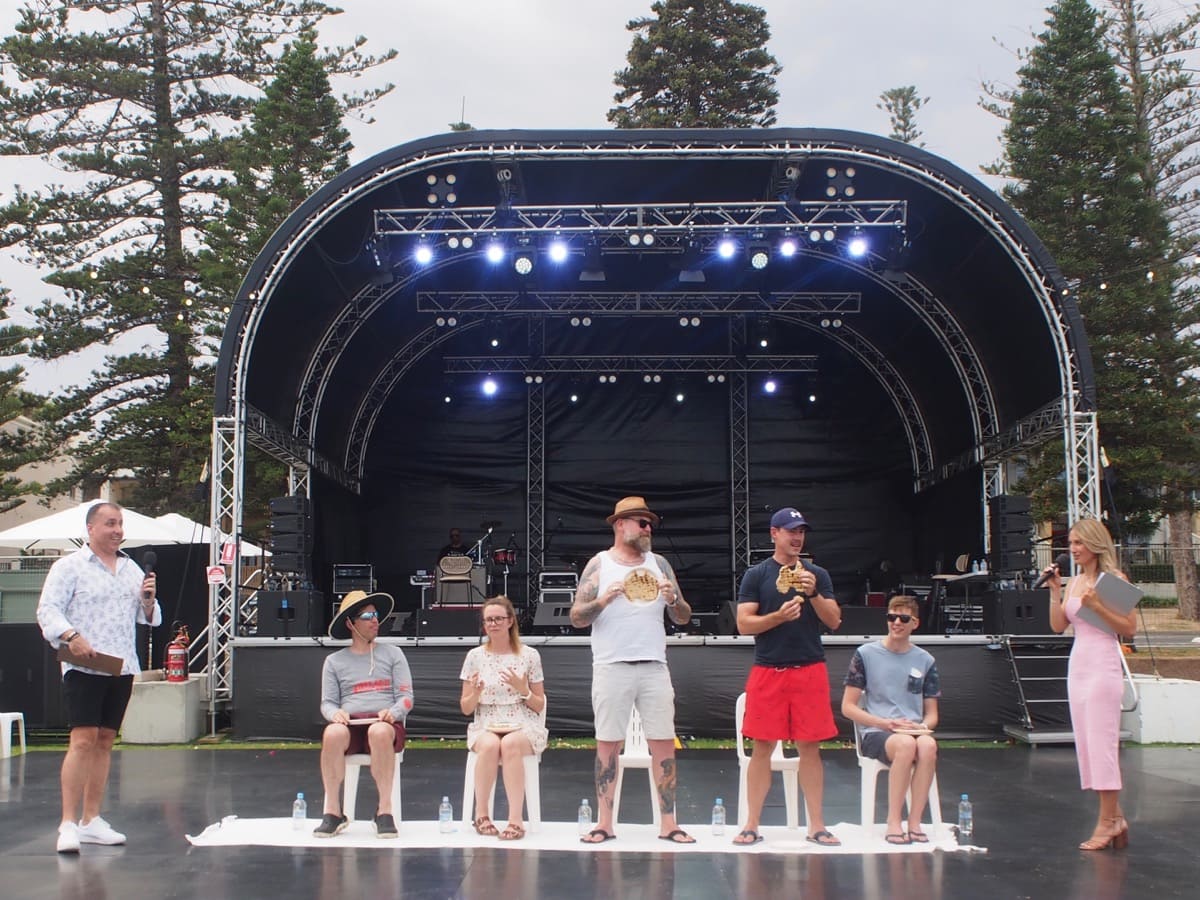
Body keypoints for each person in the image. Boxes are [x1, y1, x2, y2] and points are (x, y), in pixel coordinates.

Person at [36, 501, 162, 853]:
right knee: (82, 740)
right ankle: (67, 823)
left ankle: (92, 819)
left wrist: (149, 601)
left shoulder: (132, 568)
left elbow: (149, 617)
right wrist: (71, 637)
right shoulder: (69, 566)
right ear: (90, 528)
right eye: (110, 523)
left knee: (106, 740)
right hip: (83, 664)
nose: (117, 530)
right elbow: (47, 609)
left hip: (120, 665)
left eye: (120, 523)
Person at [570, 496, 695, 844]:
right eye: (640, 522)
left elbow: (684, 616)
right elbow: (576, 617)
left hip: (654, 665)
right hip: (612, 664)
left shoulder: (660, 564)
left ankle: (669, 823)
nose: (647, 528)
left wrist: (673, 600)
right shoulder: (600, 564)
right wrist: (603, 600)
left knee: (663, 745)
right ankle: (605, 822)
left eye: (649, 523)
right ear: (619, 525)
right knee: (608, 745)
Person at [733, 507, 842, 847]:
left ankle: (817, 826)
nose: (797, 537)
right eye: (790, 531)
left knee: (810, 747)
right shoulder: (757, 575)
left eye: (801, 532)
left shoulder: (817, 574)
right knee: (762, 746)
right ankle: (751, 824)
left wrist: (813, 595)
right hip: (769, 669)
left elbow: (834, 620)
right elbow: (743, 624)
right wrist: (778, 617)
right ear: (774, 533)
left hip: (809, 668)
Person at [1046, 518, 1136, 851]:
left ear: (1095, 545)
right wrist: (1055, 591)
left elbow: (1129, 629)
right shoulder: (1074, 582)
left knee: (1102, 743)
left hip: (1103, 664)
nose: (1073, 549)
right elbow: (1058, 626)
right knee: (1086, 743)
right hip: (1079, 663)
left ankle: (1107, 820)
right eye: (1071, 543)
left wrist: (1099, 605)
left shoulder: (1112, 581)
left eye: (1079, 543)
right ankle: (1115, 816)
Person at [841, 595, 941, 844]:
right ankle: (894, 820)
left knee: (928, 746)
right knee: (906, 745)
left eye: (903, 618)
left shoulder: (925, 660)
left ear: (914, 623)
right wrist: (885, 723)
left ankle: (915, 820)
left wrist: (923, 727)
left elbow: (932, 713)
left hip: (912, 730)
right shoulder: (865, 654)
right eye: (891, 617)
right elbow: (848, 707)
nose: (896, 622)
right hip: (878, 731)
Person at [315, 590, 413, 838]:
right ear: (350, 623)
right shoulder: (334, 661)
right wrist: (335, 714)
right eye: (367, 615)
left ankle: (384, 811)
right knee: (332, 733)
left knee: (379, 731)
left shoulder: (393, 653)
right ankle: (333, 812)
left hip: (384, 723)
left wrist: (393, 712)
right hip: (350, 723)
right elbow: (326, 703)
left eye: (376, 614)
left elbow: (407, 698)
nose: (374, 620)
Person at [459, 594, 548, 841]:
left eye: (498, 618)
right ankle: (482, 814)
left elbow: (539, 704)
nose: (493, 624)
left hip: (523, 721)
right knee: (489, 745)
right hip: (486, 720)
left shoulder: (529, 656)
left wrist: (523, 690)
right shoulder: (475, 656)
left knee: (509, 744)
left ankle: (515, 819)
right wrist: (475, 693)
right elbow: (466, 708)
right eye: (489, 620)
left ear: (510, 621)